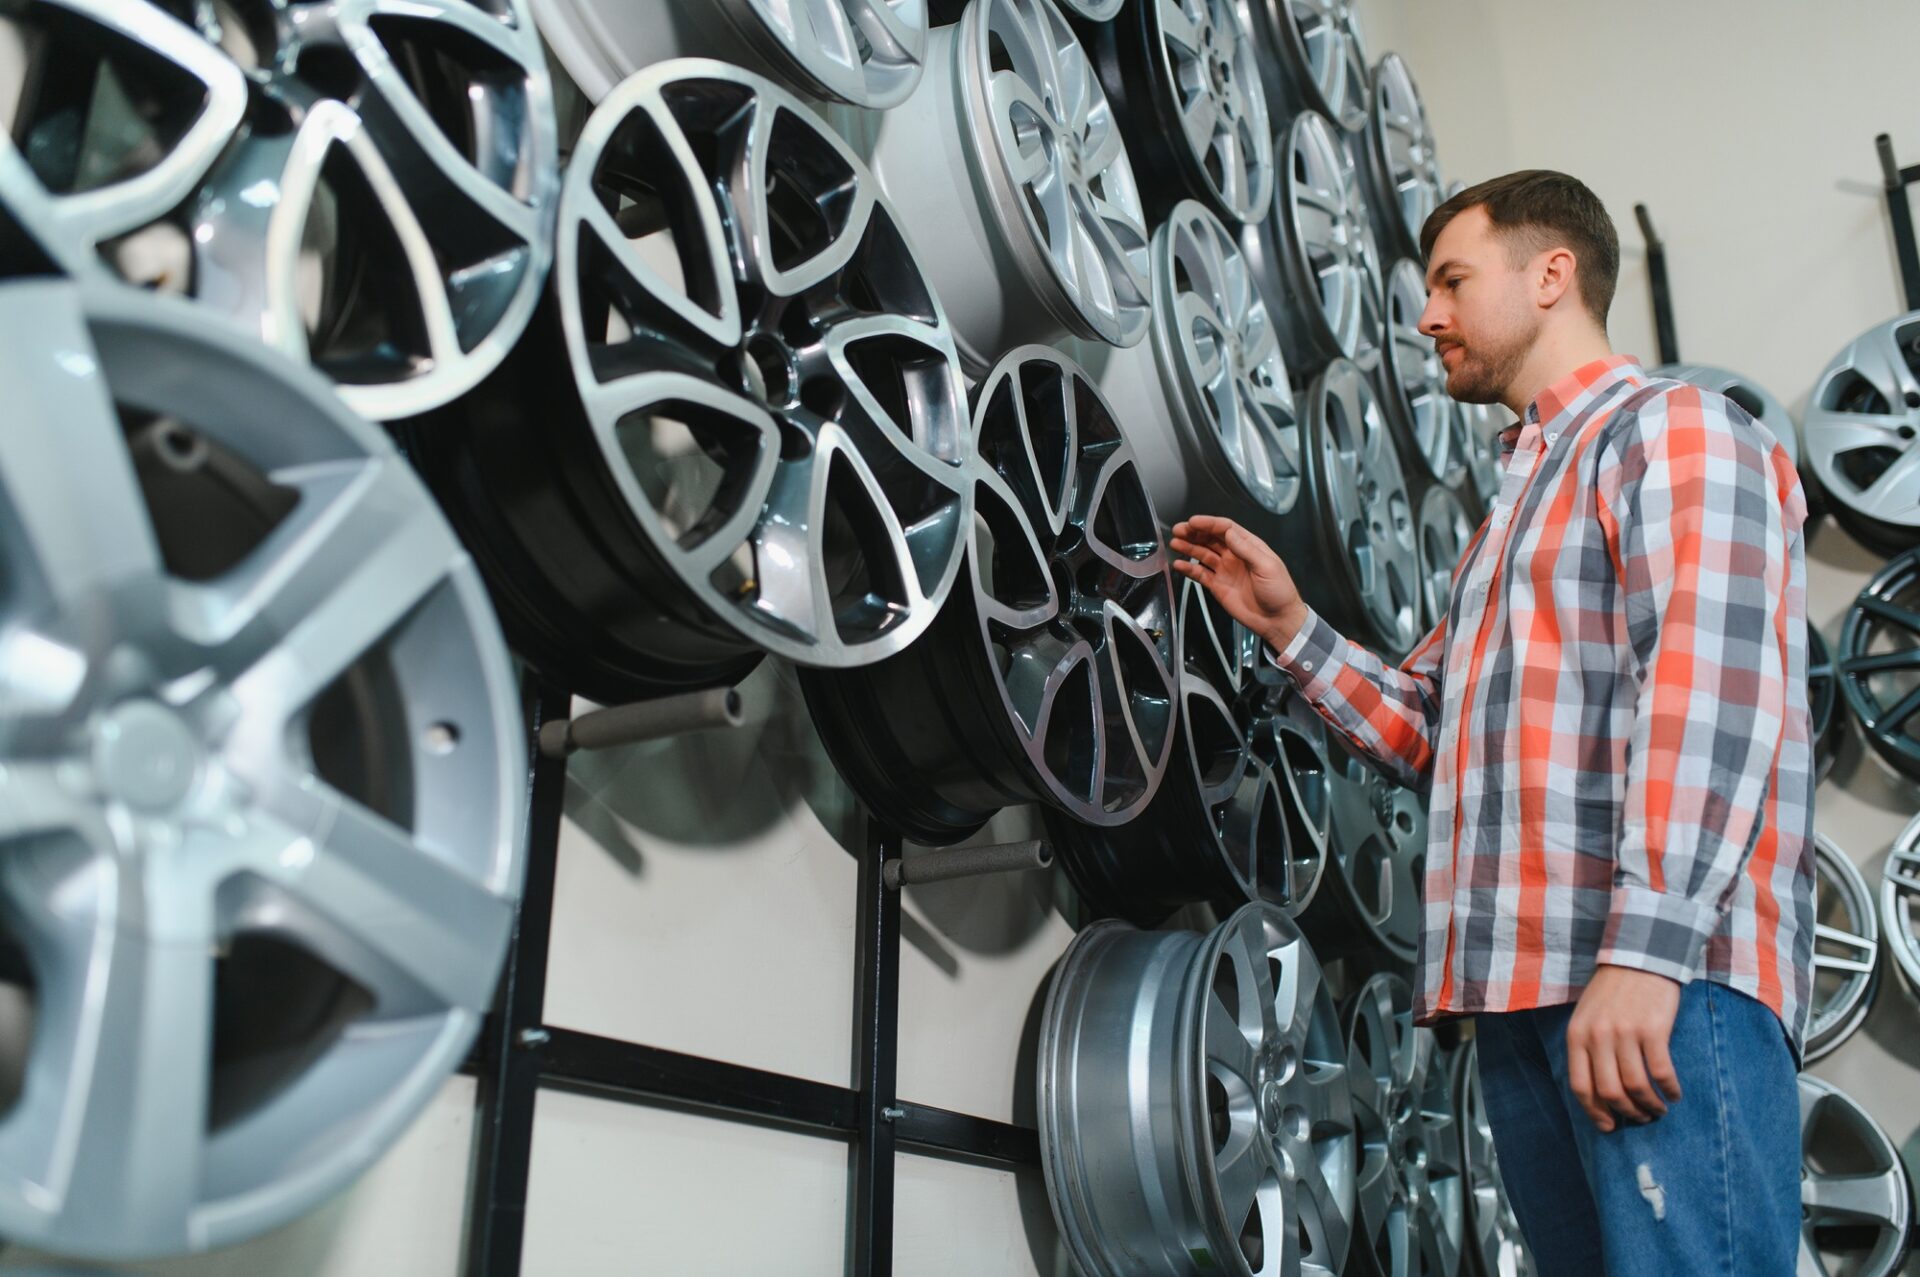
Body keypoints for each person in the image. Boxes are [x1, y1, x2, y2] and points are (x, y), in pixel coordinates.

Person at [1173, 170, 1812, 1277]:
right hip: (1531, 994)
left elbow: (1715, 688)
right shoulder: (1520, 497)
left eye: (1453, 280)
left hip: (1659, 978)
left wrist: (1648, 950)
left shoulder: (1676, 431)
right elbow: (1437, 731)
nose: (1428, 316)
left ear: (1551, 274)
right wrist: (1289, 623)